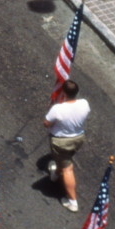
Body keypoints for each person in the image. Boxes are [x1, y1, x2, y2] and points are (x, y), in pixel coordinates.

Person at [45, 79, 89, 211]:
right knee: (63, 160)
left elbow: (46, 123)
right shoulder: (84, 104)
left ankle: (73, 202)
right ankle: (55, 175)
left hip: (61, 141)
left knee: (67, 168)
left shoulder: (58, 109)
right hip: (78, 138)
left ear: (63, 92)